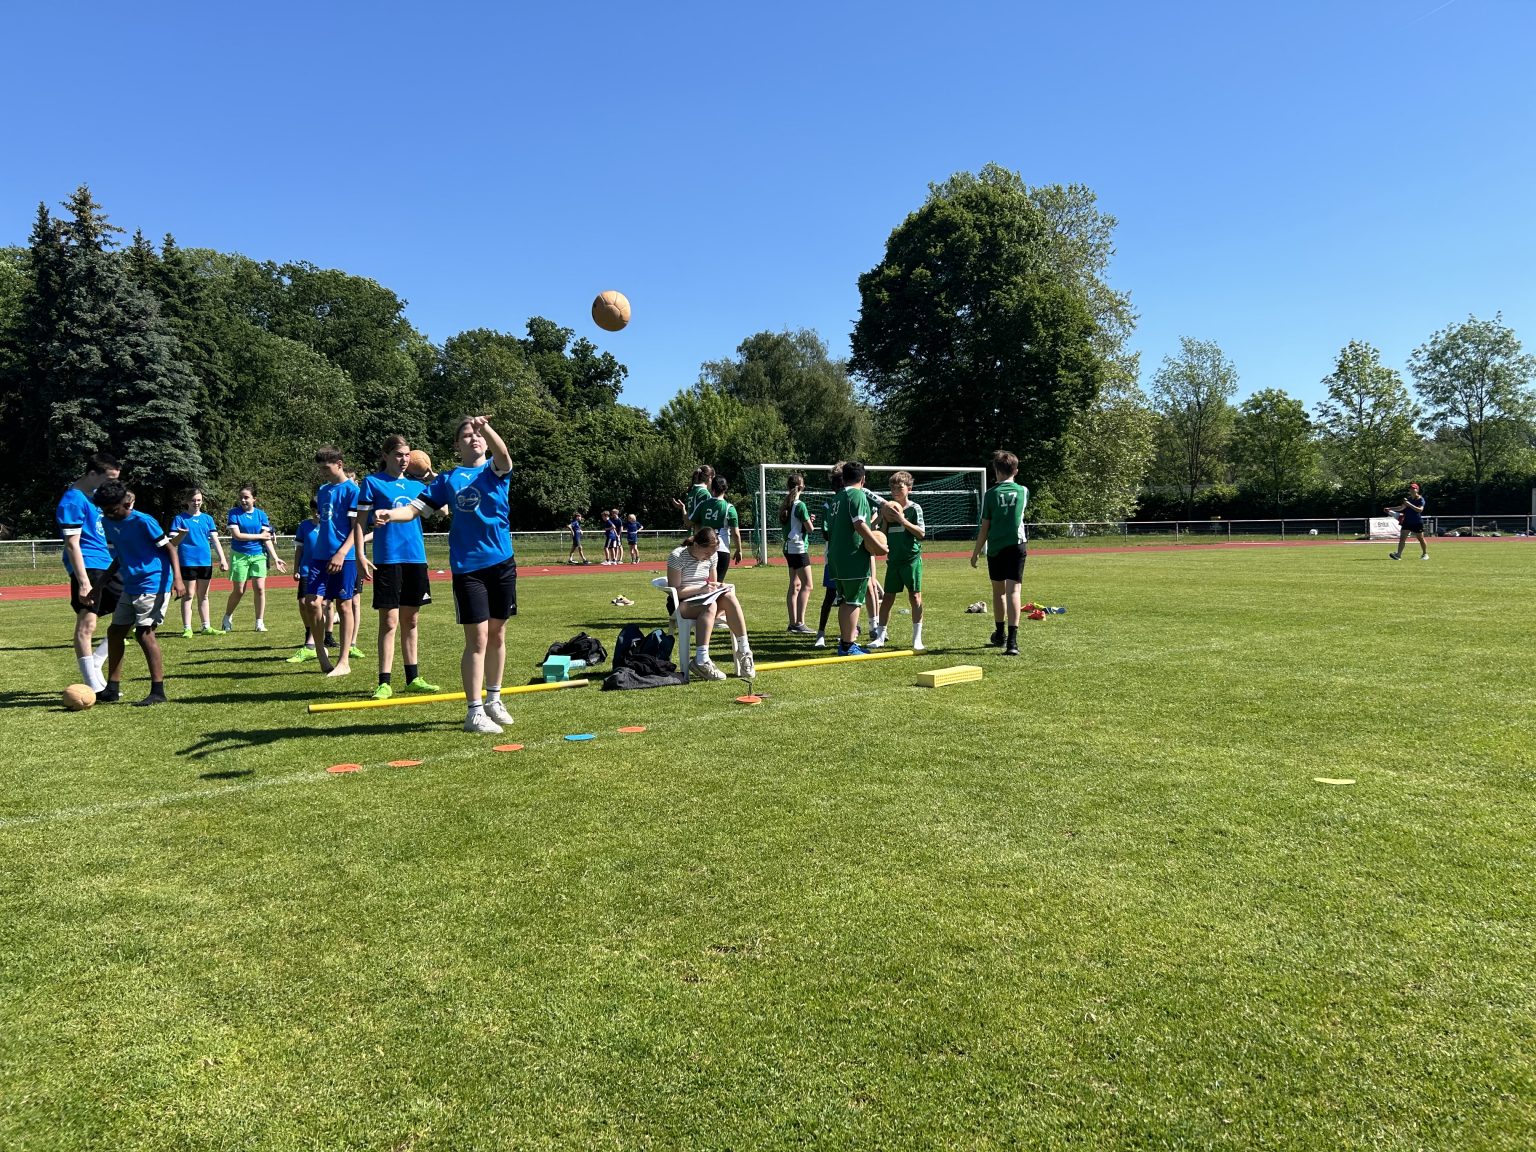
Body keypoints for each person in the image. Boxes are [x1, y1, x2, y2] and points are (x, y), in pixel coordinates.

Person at [375, 416, 517, 736]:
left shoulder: (495, 470)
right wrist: (390, 514)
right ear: (457, 445)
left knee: (498, 635)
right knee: (477, 639)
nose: (474, 438)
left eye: (478, 434)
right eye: (467, 435)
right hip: (468, 568)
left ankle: (494, 699)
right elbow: (414, 510)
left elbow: (504, 454)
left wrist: (485, 427)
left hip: (502, 563)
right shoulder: (447, 481)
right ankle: (474, 712)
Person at [355, 435, 441, 699]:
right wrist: (360, 555)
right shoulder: (372, 482)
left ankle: (413, 678)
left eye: (406, 455)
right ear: (385, 456)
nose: (403, 459)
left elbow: (444, 510)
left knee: (411, 620)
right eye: (398, 454)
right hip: (388, 558)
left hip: (415, 558)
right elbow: (359, 523)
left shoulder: (417, 486)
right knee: (389, 621)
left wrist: (431, 475)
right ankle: (384, 681)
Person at [92, 481, 185, 705]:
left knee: (144, 633)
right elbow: (120, 555)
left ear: (125, 503)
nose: (108, 514)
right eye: (104, 510)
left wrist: (178, 579)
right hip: (131, 584)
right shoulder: (107, 521)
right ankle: (112, 689)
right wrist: (101, 583)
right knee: (115, 632)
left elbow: (170, 548)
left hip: (153, 581)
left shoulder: (144, 521)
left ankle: (158, 692)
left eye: (112, 509)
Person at [56, 452, 122, 691]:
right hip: (89, 565)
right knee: (88, 622)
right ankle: (92, 683)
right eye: (110, 479)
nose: (113, 485)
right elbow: (72, 544)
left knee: (134, 609)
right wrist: (83, 582)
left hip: (106, 562)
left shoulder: (95, 498)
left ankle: (96, 660)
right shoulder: (73, 500)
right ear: (93, 474)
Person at [301, 447, 361, 678]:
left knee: (344, 605)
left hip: (345, 557)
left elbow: (357, 527)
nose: (323, 473)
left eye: (326, 468)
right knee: (312, 603)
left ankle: (344, 661)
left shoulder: (352, 490)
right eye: (320, 469)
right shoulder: (323, 490)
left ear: (339, 464)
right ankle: (320, 652)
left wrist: (341, 553)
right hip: (320, 556)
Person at [666, 526, 755, 681]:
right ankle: (701, 660)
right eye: (706, 553)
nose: (709, 557)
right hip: (682, 603)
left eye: (712, 554)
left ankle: (744, 651)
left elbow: (712, 582)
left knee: (729, 596)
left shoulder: (712, 557)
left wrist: (719, 587)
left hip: (705, 598)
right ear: (696, 545)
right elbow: (676, 590)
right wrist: (701, 589)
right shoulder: (677, 556)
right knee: (711, 606)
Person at [970, 450, 1028, 657]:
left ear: (995, 471)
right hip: (1017, 545)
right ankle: (1012, 642)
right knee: (1014, 591)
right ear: (1016, 471)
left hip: (996, 547)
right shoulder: (1023, 491)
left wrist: (976, 552)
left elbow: (984, 528)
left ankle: (1000, 633)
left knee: (999, 592)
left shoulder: (990, 494)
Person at [827, 460, 888, 656]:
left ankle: (845, 644)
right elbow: (860, 524)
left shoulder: (837, 497)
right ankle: (848, 645)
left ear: (843, 478)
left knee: (845, 601)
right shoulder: (858, 494)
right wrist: (878, 545)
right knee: (854, 601)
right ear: (863, 479)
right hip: (852, 556)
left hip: (835, 556)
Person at [871, 471, 925, 651]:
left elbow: (921, 533)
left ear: (909, 489)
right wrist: (884, 519)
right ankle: (880, 636)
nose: (895, 491)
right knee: (887, 598)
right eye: (893, 488)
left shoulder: (914, 508)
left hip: (911, 560)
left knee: (915, 597)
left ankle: (917, 639)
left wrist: (902, 520)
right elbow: (881, 536)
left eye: (899, 487)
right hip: (893, 561)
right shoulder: (888, 508)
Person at [222, 484, 286, 631]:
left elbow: (266, 539)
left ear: (254, 499)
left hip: (259, 555)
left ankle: (259, 622)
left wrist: (276, 558)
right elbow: (237, 536)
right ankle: (227, 617)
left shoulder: (261, 515)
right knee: (239, 591)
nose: (243, 500)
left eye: (246, 497)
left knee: (260, 588)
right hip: (239, 555)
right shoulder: (234, 513)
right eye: (241, 497)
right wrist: (260, 536)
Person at [171, 487, 228, 637]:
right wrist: (182, 534)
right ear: (187, 501)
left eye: (199, 500)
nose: (196, 503)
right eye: (193, 500)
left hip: (205, 562)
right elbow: (173, 543)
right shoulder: (180, 519)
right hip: (187, 562)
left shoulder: (208, 519)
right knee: (188, 595)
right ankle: (187, 628)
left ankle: (206, 627)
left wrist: (222, 559)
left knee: (204, 596)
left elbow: (215, 540)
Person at [812, 462, 846, 648]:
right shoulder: (829, 504)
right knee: (830, 595)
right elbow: (826, 533)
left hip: (849, 556)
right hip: (833, 555)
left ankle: (848, 632)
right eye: (835, 482)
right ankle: (821, 633)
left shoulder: (853, 499)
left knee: (847, 597)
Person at [285, 500, 323, 663]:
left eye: (319, 509)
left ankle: (312, 641)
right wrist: (296, 568)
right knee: (303, 603)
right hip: (307, 569)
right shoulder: (304, 526)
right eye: (314, 509)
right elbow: (299, 549)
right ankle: (310, 630)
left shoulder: (329, 526)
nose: (316, 513)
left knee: (319, 605)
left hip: (323, 570)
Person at [779, 472, 816, 634]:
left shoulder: (786, 504)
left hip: (789, 547)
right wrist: (809, 522)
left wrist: (805, 522)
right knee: (807, 585)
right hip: (798, 548)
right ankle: (800, 623)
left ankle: (793, 623)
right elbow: (810, 529)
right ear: (802, 487)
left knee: (794, 585)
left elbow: (796, 524)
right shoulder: (800, 505)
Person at [691, 475, 741, 583]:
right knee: (717, 584)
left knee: (702, 583)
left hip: (704, 548)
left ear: (712, 489)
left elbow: (691, 521)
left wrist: (683, 510)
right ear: (725, 489)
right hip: (722, 548)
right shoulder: (729, 508)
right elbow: (735, 534)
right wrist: (739, 550)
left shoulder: (703, 505)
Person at [1387, 482, 1429, 560]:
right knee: (1402, 538)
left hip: (1416, 522)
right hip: (1407, 521)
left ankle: (1425, 554)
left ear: (1417, 490)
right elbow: (1401, 508)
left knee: (1420, 538)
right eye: (1411, 489)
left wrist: (1409, 504)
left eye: (1414, 489)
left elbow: (1420, 510)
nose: (1412, 490)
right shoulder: (1408, 499)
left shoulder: (1420, 499)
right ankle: (1398, 555)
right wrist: (1390, 508)